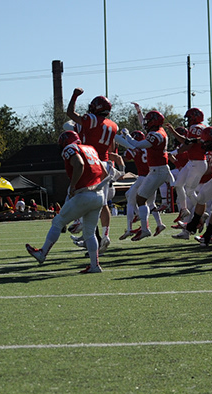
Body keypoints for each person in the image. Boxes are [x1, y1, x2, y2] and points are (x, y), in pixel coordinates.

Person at [26, 130, 109, 273]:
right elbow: (105, 174)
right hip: (99, 195)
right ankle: (95, 265)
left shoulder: (70, 148)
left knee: (58, 222)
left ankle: (42, 253)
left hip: (84, 194)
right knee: (89, 233)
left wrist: (73, 186)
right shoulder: (90, 148)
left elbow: (79, 164)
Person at [67, 88, 119, 253]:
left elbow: (70, 113)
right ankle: (104, 235)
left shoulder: (92, 119)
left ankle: (79, 223)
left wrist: (75, 95)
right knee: (102, 203)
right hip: (106, 163)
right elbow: (110, 147)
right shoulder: (113, 125)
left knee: (77, 193)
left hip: (93, 162)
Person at [118, 111, 171, 241]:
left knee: (140, 200)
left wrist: (127, 135)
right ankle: (151, 225)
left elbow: (137, 144)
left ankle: (145, 229)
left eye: (148, 121)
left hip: (157, 171)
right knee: (143, 200)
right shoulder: (160, 131)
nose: (145, 124)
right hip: (157, 170)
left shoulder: (155, 135)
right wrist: (138, 111)